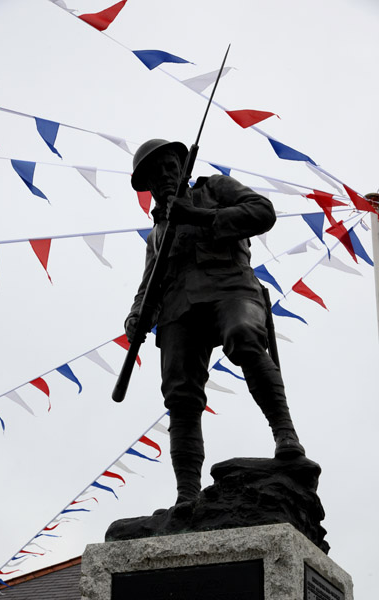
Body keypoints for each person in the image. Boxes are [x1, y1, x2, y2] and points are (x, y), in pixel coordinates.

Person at [125, 139, 305, 505]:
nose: (164, 175)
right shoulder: (156, 235)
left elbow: (263, 212)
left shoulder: (214, 189)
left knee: (243, 335)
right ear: (147, 187)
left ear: (182, 165)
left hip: (230, 288)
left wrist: (200, 216)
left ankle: (285, 434)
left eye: (169, 166)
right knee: (180, 395)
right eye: (154, 174)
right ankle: (186, 494)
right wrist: (137, 314)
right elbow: (149, 283)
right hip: (179, 309)